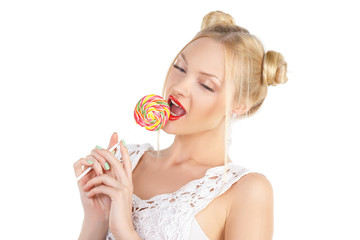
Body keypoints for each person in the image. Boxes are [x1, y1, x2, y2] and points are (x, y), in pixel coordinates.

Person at [74, 10, 288, 240]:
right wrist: (96, 218)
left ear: (239, 105)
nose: (179, 87)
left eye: (206, 85)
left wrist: (124, 230)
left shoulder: (247, 190)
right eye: (180, 68)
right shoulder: (126, 164)